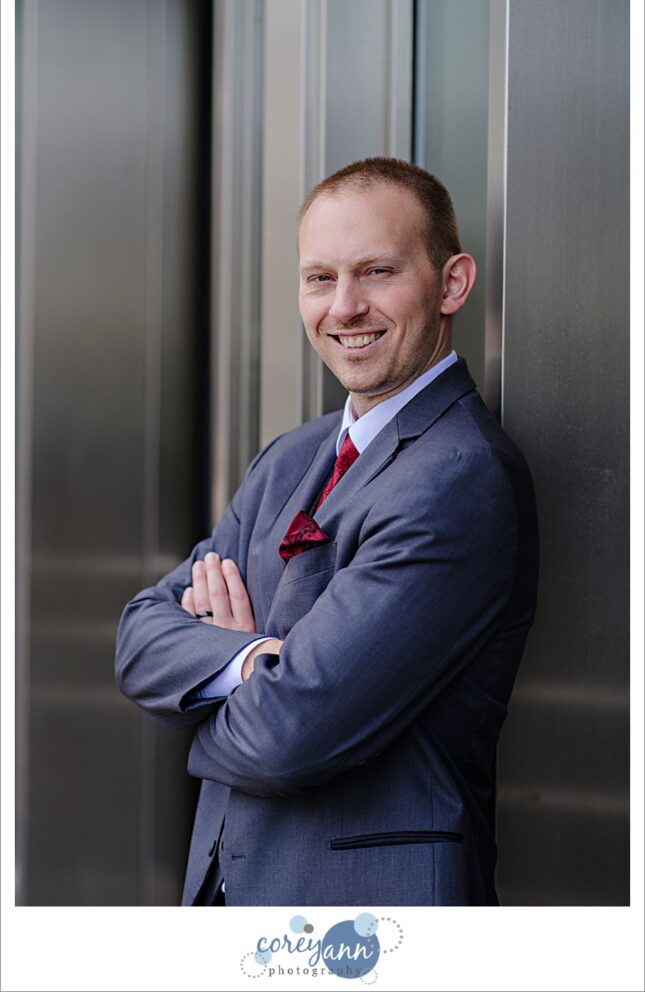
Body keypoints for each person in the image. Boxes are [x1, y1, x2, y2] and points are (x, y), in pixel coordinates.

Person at [115, 157, 539, 906]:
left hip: (370, 923)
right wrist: (253, 664)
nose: (343, 307)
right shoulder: (290, 458)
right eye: (319, 278)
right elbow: (138, 637)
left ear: (451, 284)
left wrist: (206, 696)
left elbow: (286, 737)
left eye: (376, 272)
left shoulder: (459, 477)